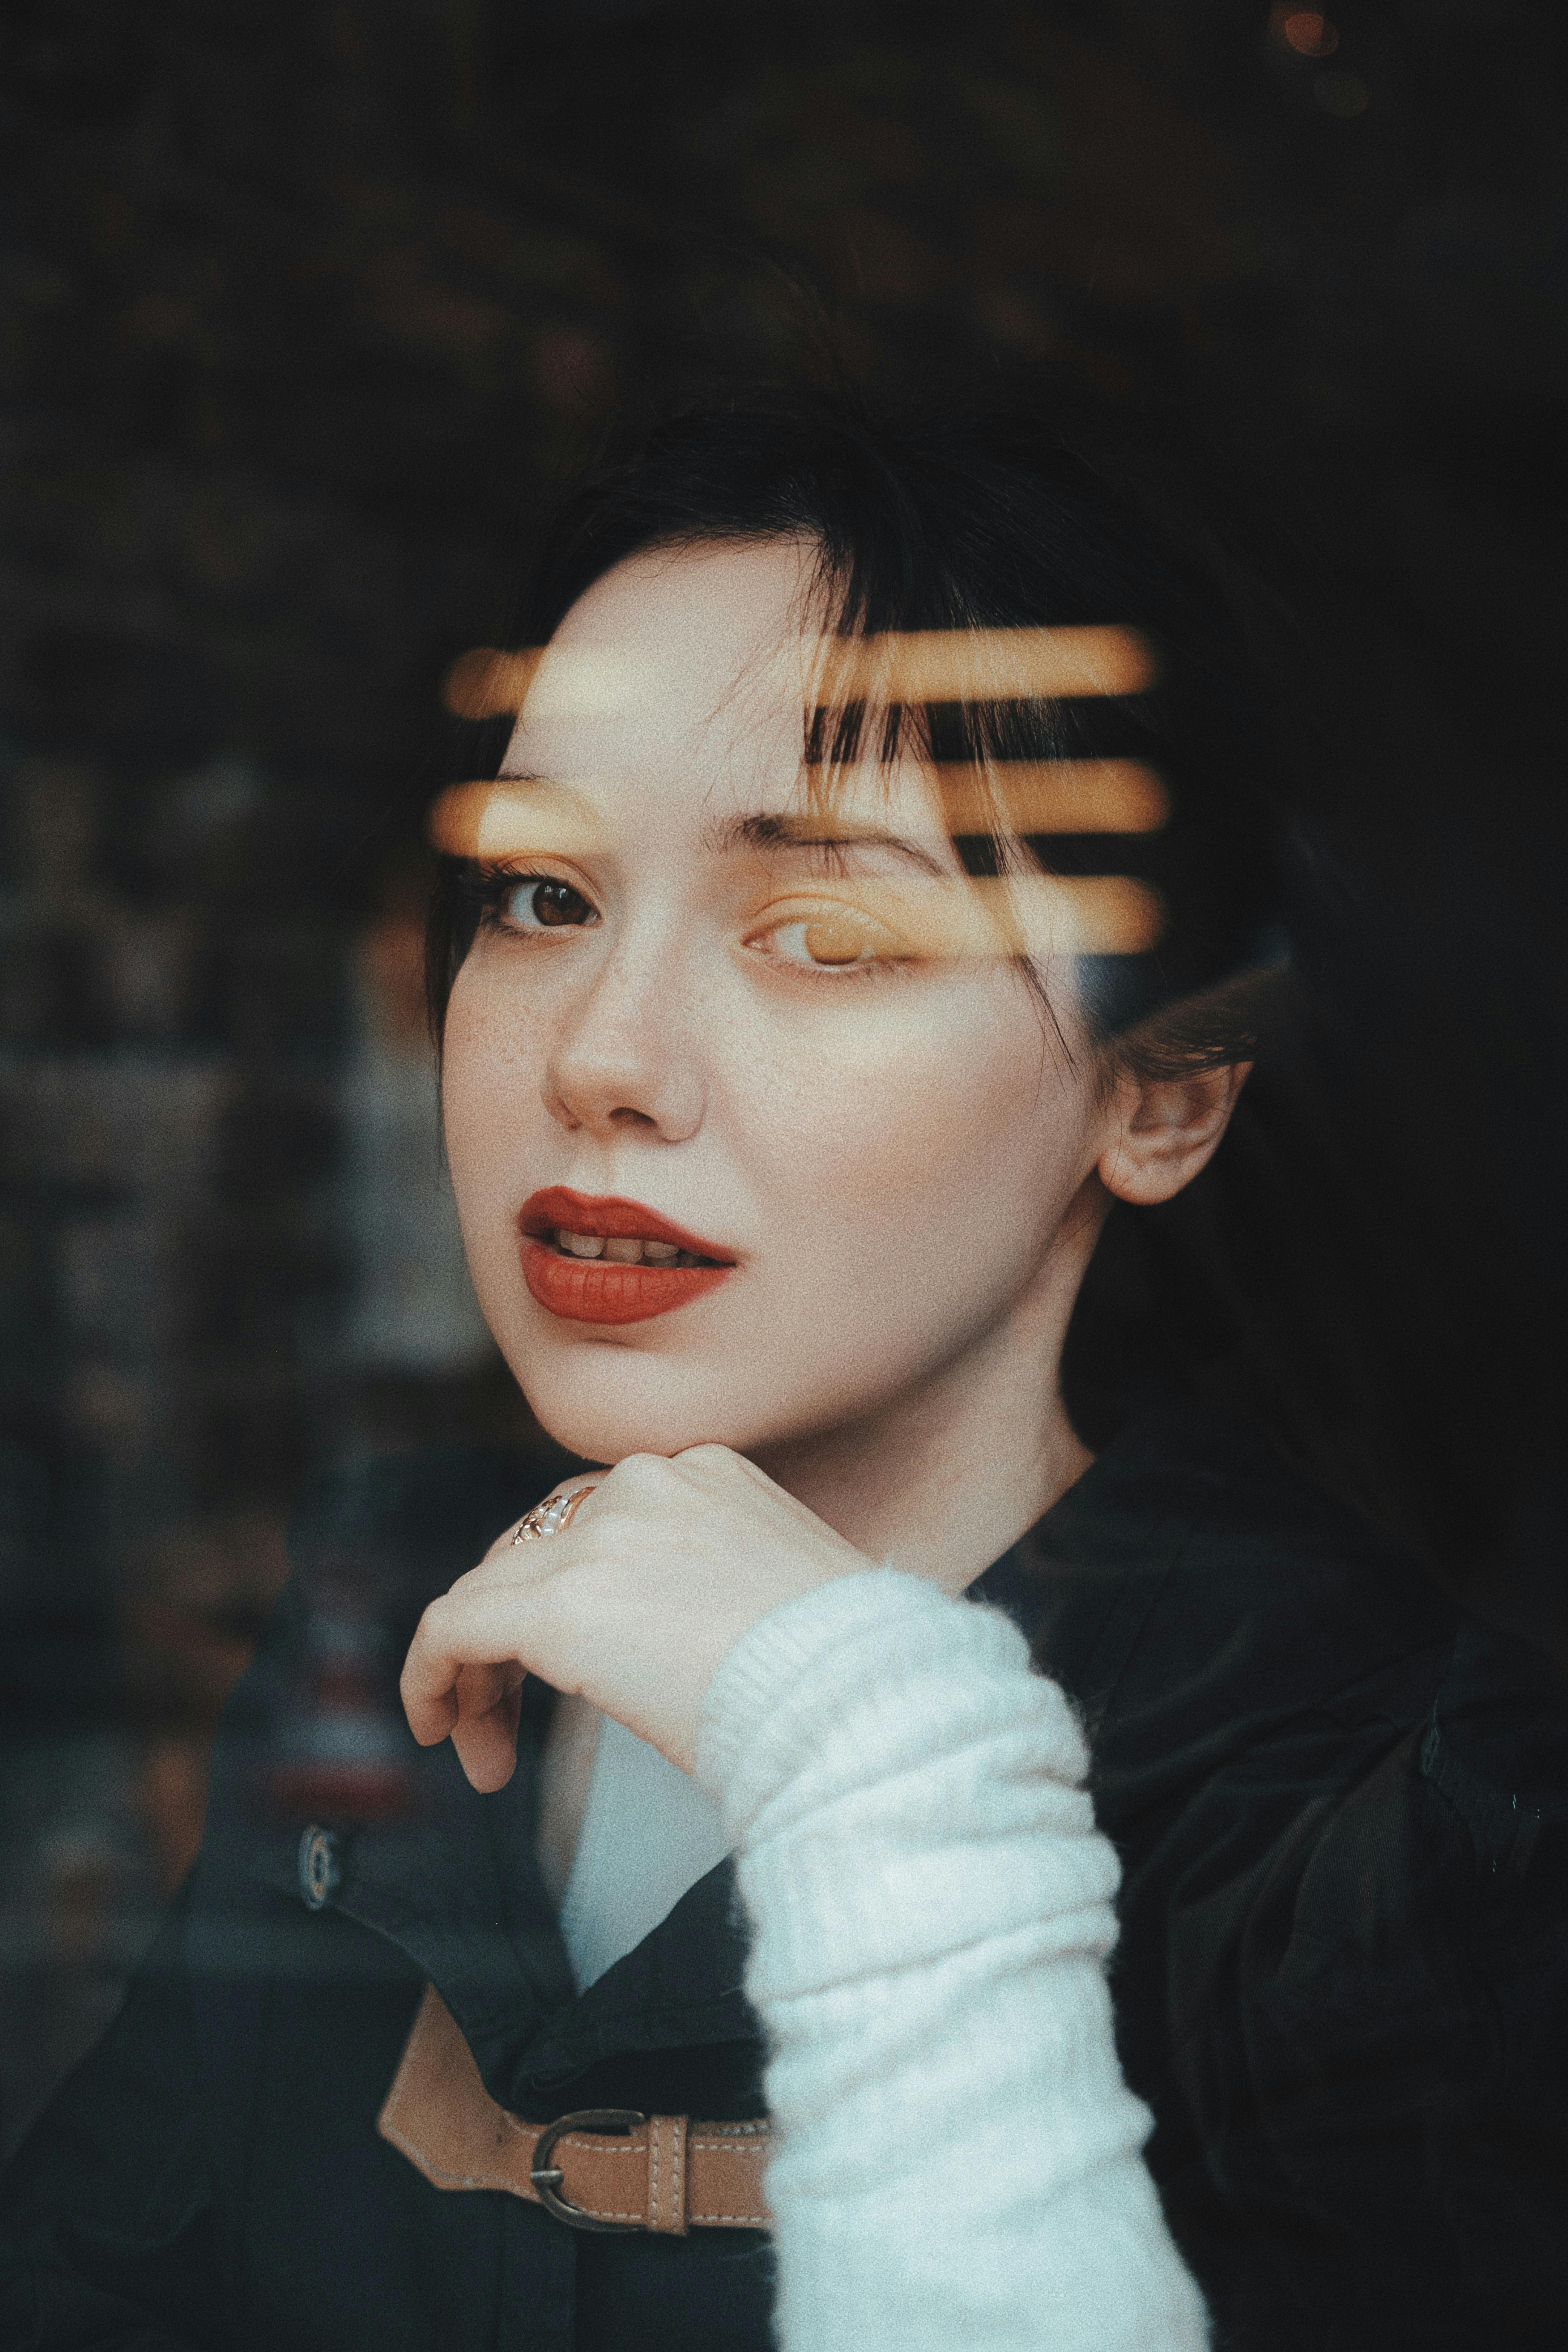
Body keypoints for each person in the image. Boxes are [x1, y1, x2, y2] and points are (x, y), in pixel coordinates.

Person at [2, 396, 1563, 2352]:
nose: (604, 1056)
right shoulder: (395, 1604)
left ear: (1160, 1091)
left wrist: (879, 1765)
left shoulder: (1405, 1828)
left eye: (826, 930)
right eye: (544, 897)